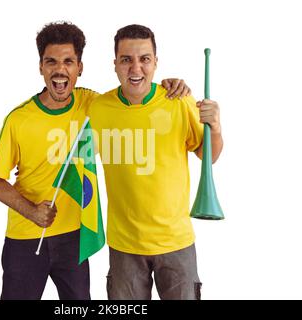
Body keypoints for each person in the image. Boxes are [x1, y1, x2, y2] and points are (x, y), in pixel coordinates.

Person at [0, 21, 192, 300]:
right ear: (41, 67)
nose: (60, 70)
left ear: (79, 68)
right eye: (51, 62)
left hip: (74, 237)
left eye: (68, 61)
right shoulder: (19, 119)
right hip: (26, 238)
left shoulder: (93, 105)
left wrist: (172, 85)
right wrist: (31, 211)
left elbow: (132, 97)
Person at [89, 24, 224, 300]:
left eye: (144, 59)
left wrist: (217, 127)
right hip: (124, 246)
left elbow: (208, 156)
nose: (135, 68)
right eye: (126, 59)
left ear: (156, 62)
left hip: (176, 242)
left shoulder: (178, 100)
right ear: (114, 64)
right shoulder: (97, 108)